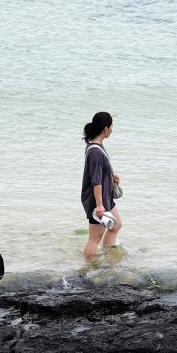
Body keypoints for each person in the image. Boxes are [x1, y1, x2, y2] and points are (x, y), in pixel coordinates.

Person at [81, 111, 123, 259]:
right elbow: (96, 181)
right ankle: (88, 267)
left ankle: (108, 257)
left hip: (105, 197)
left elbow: (99, 173)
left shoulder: (97, 146)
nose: (112, 129)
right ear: (106, 128)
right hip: (97, 200)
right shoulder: (95, 152)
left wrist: (111, 178)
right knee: (94, 238)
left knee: (116, 226)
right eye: (111, 126)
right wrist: (99, 205)